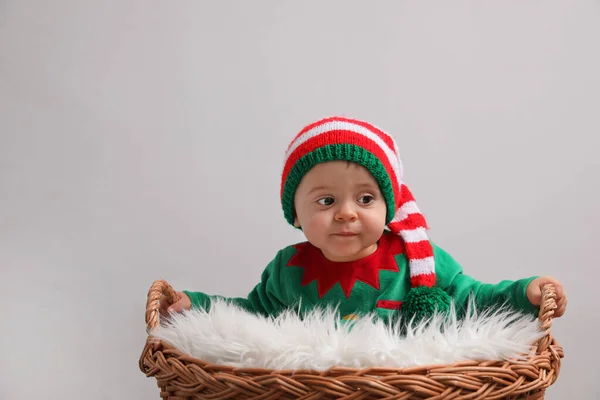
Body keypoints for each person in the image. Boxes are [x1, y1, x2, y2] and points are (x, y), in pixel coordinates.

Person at [160, 116, 567, 324]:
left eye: (366, 198)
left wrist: (525, 292)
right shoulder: (288, 269)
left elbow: (472, 299)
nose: (347, 212)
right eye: (325, 200)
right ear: (295, 215)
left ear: (387, 207)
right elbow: (249, 315)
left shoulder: (415, 261)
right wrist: (194, 305)